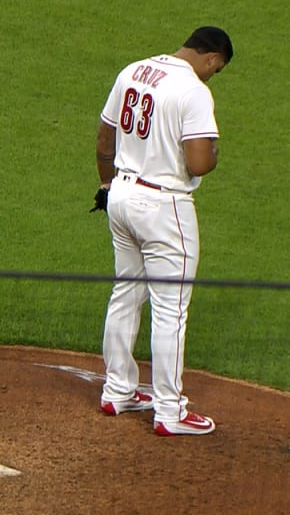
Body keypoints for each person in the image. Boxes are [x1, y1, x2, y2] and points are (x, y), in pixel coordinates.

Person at [89, 26, 233, 436]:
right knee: (170, 310)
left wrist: (105, 186)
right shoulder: (193, 91)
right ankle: (170, 411)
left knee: (126, 292)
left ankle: (118, 390)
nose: (212, 75)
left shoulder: (133, 71)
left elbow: (105, 137)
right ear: (209, 57)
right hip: (165, 207)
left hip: (121, 195)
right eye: (216, 69)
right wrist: (216, 154)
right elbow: (200, 162)